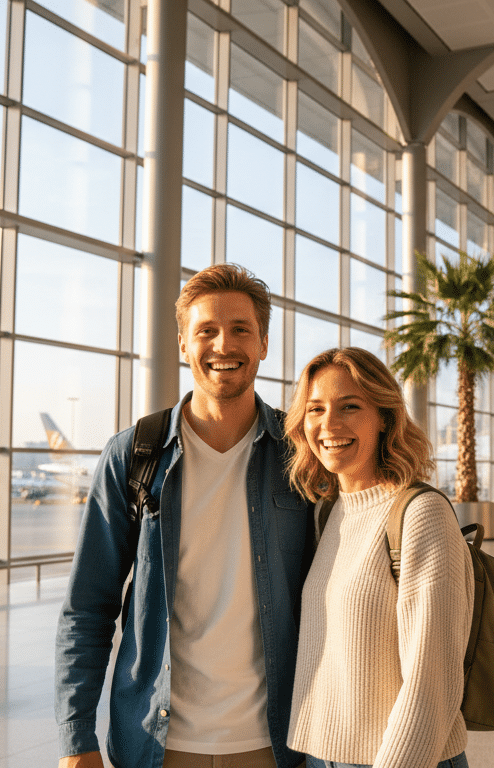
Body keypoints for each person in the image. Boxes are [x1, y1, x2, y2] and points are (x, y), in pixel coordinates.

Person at [56, 264, 315, 768]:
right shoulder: (133, 454)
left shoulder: (299, 453)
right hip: (157, 745)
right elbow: (87, 607)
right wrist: (76, 736)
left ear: (264, 342)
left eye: (241, 329)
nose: (224, 345)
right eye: (206, 331)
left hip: (276, 743)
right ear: (182, 343)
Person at [285, 347, 474, 768]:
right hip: (321, 757)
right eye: (315, 409)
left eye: (349, 407)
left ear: (385, 417)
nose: (329, 425)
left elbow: (433, 683)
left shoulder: (420, 513)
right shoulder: (328, 511)